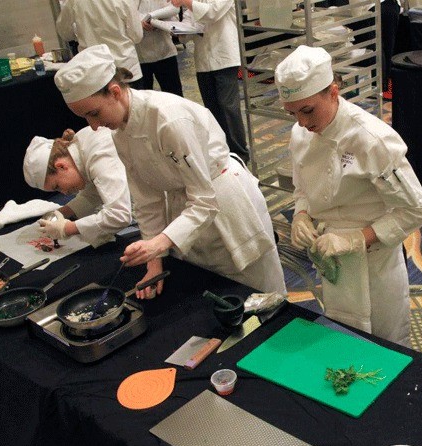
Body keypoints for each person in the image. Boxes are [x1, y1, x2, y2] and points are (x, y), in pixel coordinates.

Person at [54, 44, 286, 298]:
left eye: (94, 113)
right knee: (212, 295)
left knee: (260, 296)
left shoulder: (169, 120)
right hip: (185, 211)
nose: (94, 126)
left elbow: (205, 201)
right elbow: (147, 200)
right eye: (85, 118)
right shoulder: (120, 132)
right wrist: (154, 261)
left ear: (115, 92)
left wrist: (160, 242)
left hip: (224, 203)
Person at [275, 45, 422, 346]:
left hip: (375, 262)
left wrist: (356, 239)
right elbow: (302, 185)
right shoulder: (301, 133)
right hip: (331, 256)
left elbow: (415, 210)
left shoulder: (372, 139)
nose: (303, 123)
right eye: (292, 113)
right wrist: (302, 213)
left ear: (333, 92)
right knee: (343, 337)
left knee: (386, 346)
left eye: (308, 110)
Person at [23, 127, 133, 248]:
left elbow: (119, 215)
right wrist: (61, 213)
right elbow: (94, 192)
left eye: (57, 186)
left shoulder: (98, 154)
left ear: (61, 166)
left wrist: (67, 229)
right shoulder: (79, 148)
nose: (64, 193)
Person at [169, 0, 250, 162]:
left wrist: (186, 1)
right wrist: (178, 30)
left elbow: (212, 12)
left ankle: (240, 155)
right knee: (211, 108)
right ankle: (221, 151)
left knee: (228, 108)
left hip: (224, 56)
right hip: (203, 60)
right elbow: (189, 19)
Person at [56, 0, 144, 88]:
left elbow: (65, 33)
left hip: (94, 68)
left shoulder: (73, 2)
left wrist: (80, 35)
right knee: (133, 100)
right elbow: (137, 36)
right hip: (125, 67)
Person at [137, 0, 184, 96]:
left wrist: (154, 20)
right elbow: (124, 13)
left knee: (174, 96)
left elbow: (175, 11)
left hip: (165, 52)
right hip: (139, 56)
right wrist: (140, 22)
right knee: (143, 98)